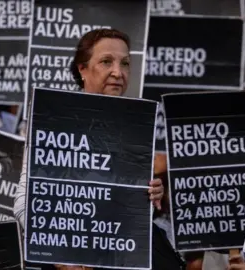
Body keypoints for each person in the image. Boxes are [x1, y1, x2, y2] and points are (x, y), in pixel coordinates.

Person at [13, 28, 165, 270]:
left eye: (125, 63)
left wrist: (152, 194)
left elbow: (131, 210)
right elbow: (23, 202)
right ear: (82, 69)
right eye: (106, 61)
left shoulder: (136, 125)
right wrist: (59, 255)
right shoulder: (53, 120)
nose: (118, 72)